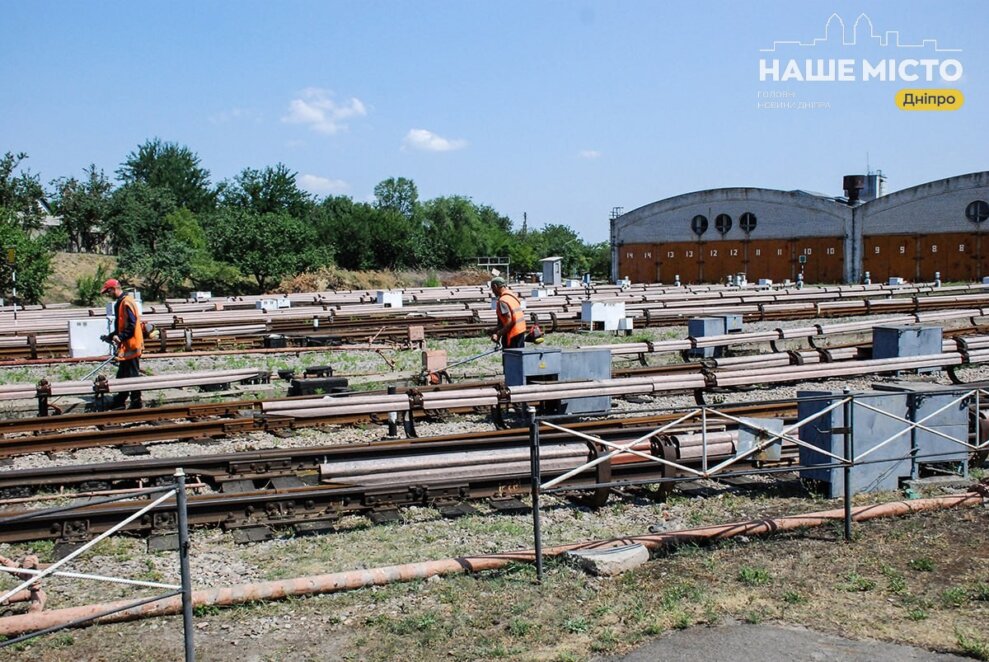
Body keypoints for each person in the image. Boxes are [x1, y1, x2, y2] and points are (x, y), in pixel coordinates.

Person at [99, 278, 144, 409]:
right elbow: (122, 325)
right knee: (123, 374)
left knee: (132, 374)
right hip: (126, 344)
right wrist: (112, 336)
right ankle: (120, 401)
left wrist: (121, 336)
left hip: (131, 344)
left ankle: (136, 402)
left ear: (114, 289)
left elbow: (131, 324)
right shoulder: (121, 302)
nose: (108, 294)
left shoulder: (126, 302)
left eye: (108, 292)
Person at [489, 277, 527, 349]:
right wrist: (495, 329)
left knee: (511, 357)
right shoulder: (511, 297)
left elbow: (509, 321)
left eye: (492, 289)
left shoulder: (503, 301)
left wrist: (498, 334)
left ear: (495, 286)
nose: (493, 291)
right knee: (519, 357)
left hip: (513, 334)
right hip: (520, 331)